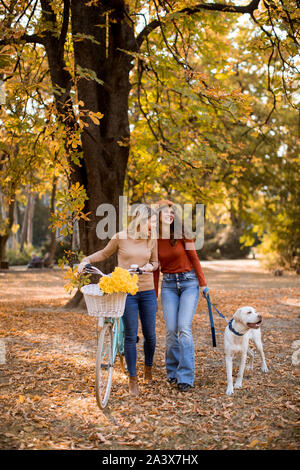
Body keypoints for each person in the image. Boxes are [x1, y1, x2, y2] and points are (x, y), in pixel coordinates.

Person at [77, 205, 158, 397]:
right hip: (126, 291)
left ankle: (148, 368)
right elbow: (104, 253)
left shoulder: (151, 239)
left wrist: (148, 267)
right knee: (130, 335)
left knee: (150, 335)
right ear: (141, 220)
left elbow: (156, 263)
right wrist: (85, 260)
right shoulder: (120, 237)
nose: (153, 226)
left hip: (147, 291)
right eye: (151, 222)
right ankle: (133, 378)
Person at [153, 199, 207, 392]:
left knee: (184, 328)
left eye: (172, 213)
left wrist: (204, 284)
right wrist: (154, 293)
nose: (170, 216)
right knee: (170, 330)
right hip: (168, 285)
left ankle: (185, 376)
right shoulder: (154, 237)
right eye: (166, 213)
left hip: (188, 283)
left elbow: (194, 258)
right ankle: (173, 372)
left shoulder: (182, 233)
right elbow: (155, 268)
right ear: (158, 216)